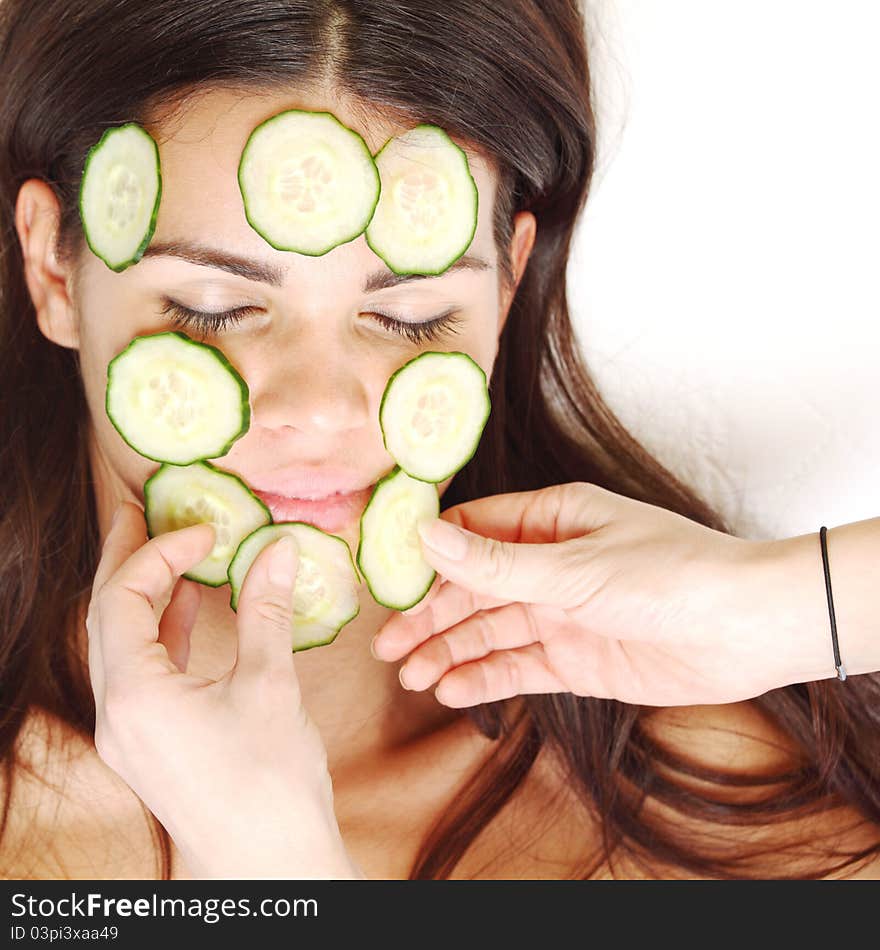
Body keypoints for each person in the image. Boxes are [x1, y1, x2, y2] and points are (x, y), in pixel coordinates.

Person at [1, 0, 877, 880]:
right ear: (53, 270)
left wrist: (798, 605)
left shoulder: (724, 793)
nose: (321, 409)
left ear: (503, 292)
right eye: (214, 310)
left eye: (407, 318)